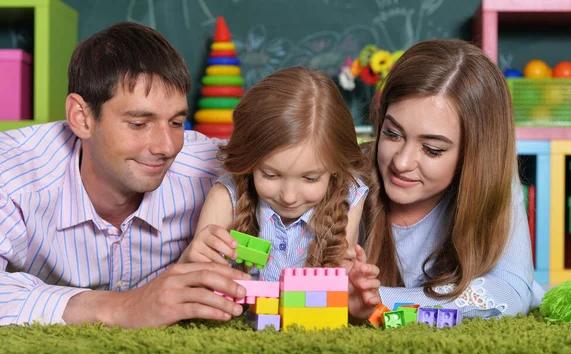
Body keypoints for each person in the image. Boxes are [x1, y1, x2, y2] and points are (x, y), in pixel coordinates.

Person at [0, 22, 252, 328]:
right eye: (138, 123)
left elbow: (306, 168)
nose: (166, 147)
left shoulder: (213, 168)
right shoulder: (14, 172)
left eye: (176, 123)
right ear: (82, 117)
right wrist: (120, 308)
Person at [179, 66, 382, 319]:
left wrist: (352, 298)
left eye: (310, 178)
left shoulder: (348, 198)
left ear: (334, 169)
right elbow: (194, 285)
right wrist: (195, 266)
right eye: (270, 175)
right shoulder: (226, 196)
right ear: (251, 162)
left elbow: (336, 295)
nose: (289, 196)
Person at [361, 38, 536, 318]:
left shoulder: (495, 182)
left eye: (432, 149)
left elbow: (511, 291)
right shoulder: (349, 179)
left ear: (473, 154)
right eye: (392, 133)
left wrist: (376, 299)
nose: (401, 162)